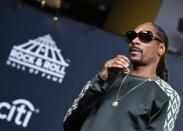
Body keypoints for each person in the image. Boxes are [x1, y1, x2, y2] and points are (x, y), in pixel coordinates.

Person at [63, 22, 181, 131]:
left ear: (161, 48)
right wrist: (100, 79)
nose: (134, 41)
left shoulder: (167, 96)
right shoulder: (106, 78)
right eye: (131, 36)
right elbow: (69, 123)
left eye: (144, 37)